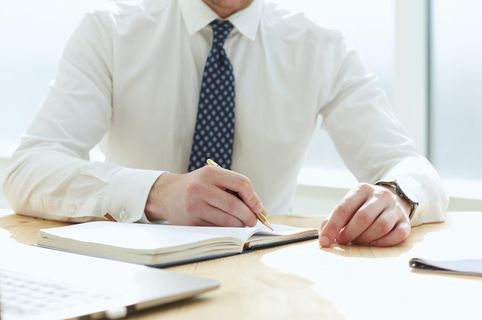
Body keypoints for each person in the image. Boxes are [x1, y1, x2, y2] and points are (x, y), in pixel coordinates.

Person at [3, 0, 448, 248]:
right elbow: (28, 170)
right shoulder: (109, 32)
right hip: (128, 276)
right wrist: (157, 192)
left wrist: (397, 196)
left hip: (268, 278)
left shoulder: (319, 47)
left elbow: (410, 166)